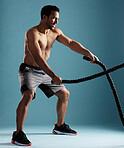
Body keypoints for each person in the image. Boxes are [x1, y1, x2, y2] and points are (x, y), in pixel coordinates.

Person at [11, 5, 98, 146]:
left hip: (44, 71)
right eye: (53, 18)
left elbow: (70, 43)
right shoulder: (32, 33)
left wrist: (88, 53)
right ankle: (18, 134)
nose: (56, 22)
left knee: (64, 94)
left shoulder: (55, 32)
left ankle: (59, 126)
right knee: (28, 95)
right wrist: (53, 75)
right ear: (44, 17)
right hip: (29, 70)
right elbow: (38, 58)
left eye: (57, 19)